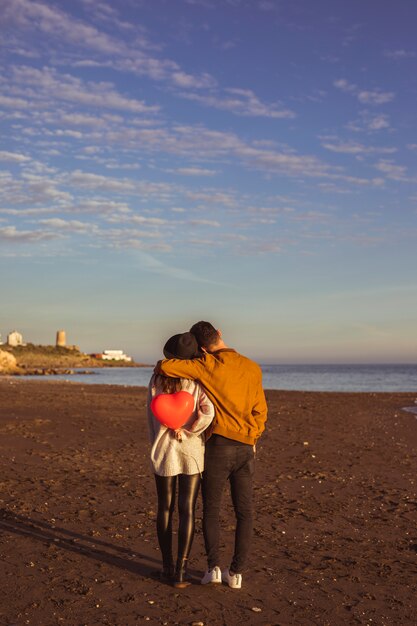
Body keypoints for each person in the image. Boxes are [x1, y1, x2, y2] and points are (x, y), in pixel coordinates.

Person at [156, 321, 268, 590]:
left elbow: (166, 366)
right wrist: (253, 436)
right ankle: (237, 573)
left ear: (202, 347)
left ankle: (214, 569)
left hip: (218, 447)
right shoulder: (252, 367)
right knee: (245, 512)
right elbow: (260, 411)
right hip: (245, 448)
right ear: (219, 333)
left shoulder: (205, 366)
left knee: (212, 511)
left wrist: (198, 358)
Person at [147, 332, 214, 588]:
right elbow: (208, 413)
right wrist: (190, 432)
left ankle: (166, 568)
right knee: (188, 510)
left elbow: (150, 415)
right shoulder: (198, 381)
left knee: (164, 507)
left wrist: (156, 442)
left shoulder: (156, 379)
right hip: (192, 452)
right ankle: (182, 573)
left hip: (164, 450)